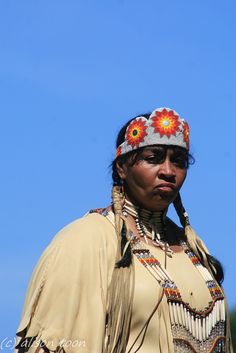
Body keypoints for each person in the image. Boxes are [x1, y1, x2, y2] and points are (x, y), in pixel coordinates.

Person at [15, 107, 233, 353]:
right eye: (153, 158)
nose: (169, 171)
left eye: (179, 162)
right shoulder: (85, 240)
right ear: (122, 167)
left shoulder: (195, 251)